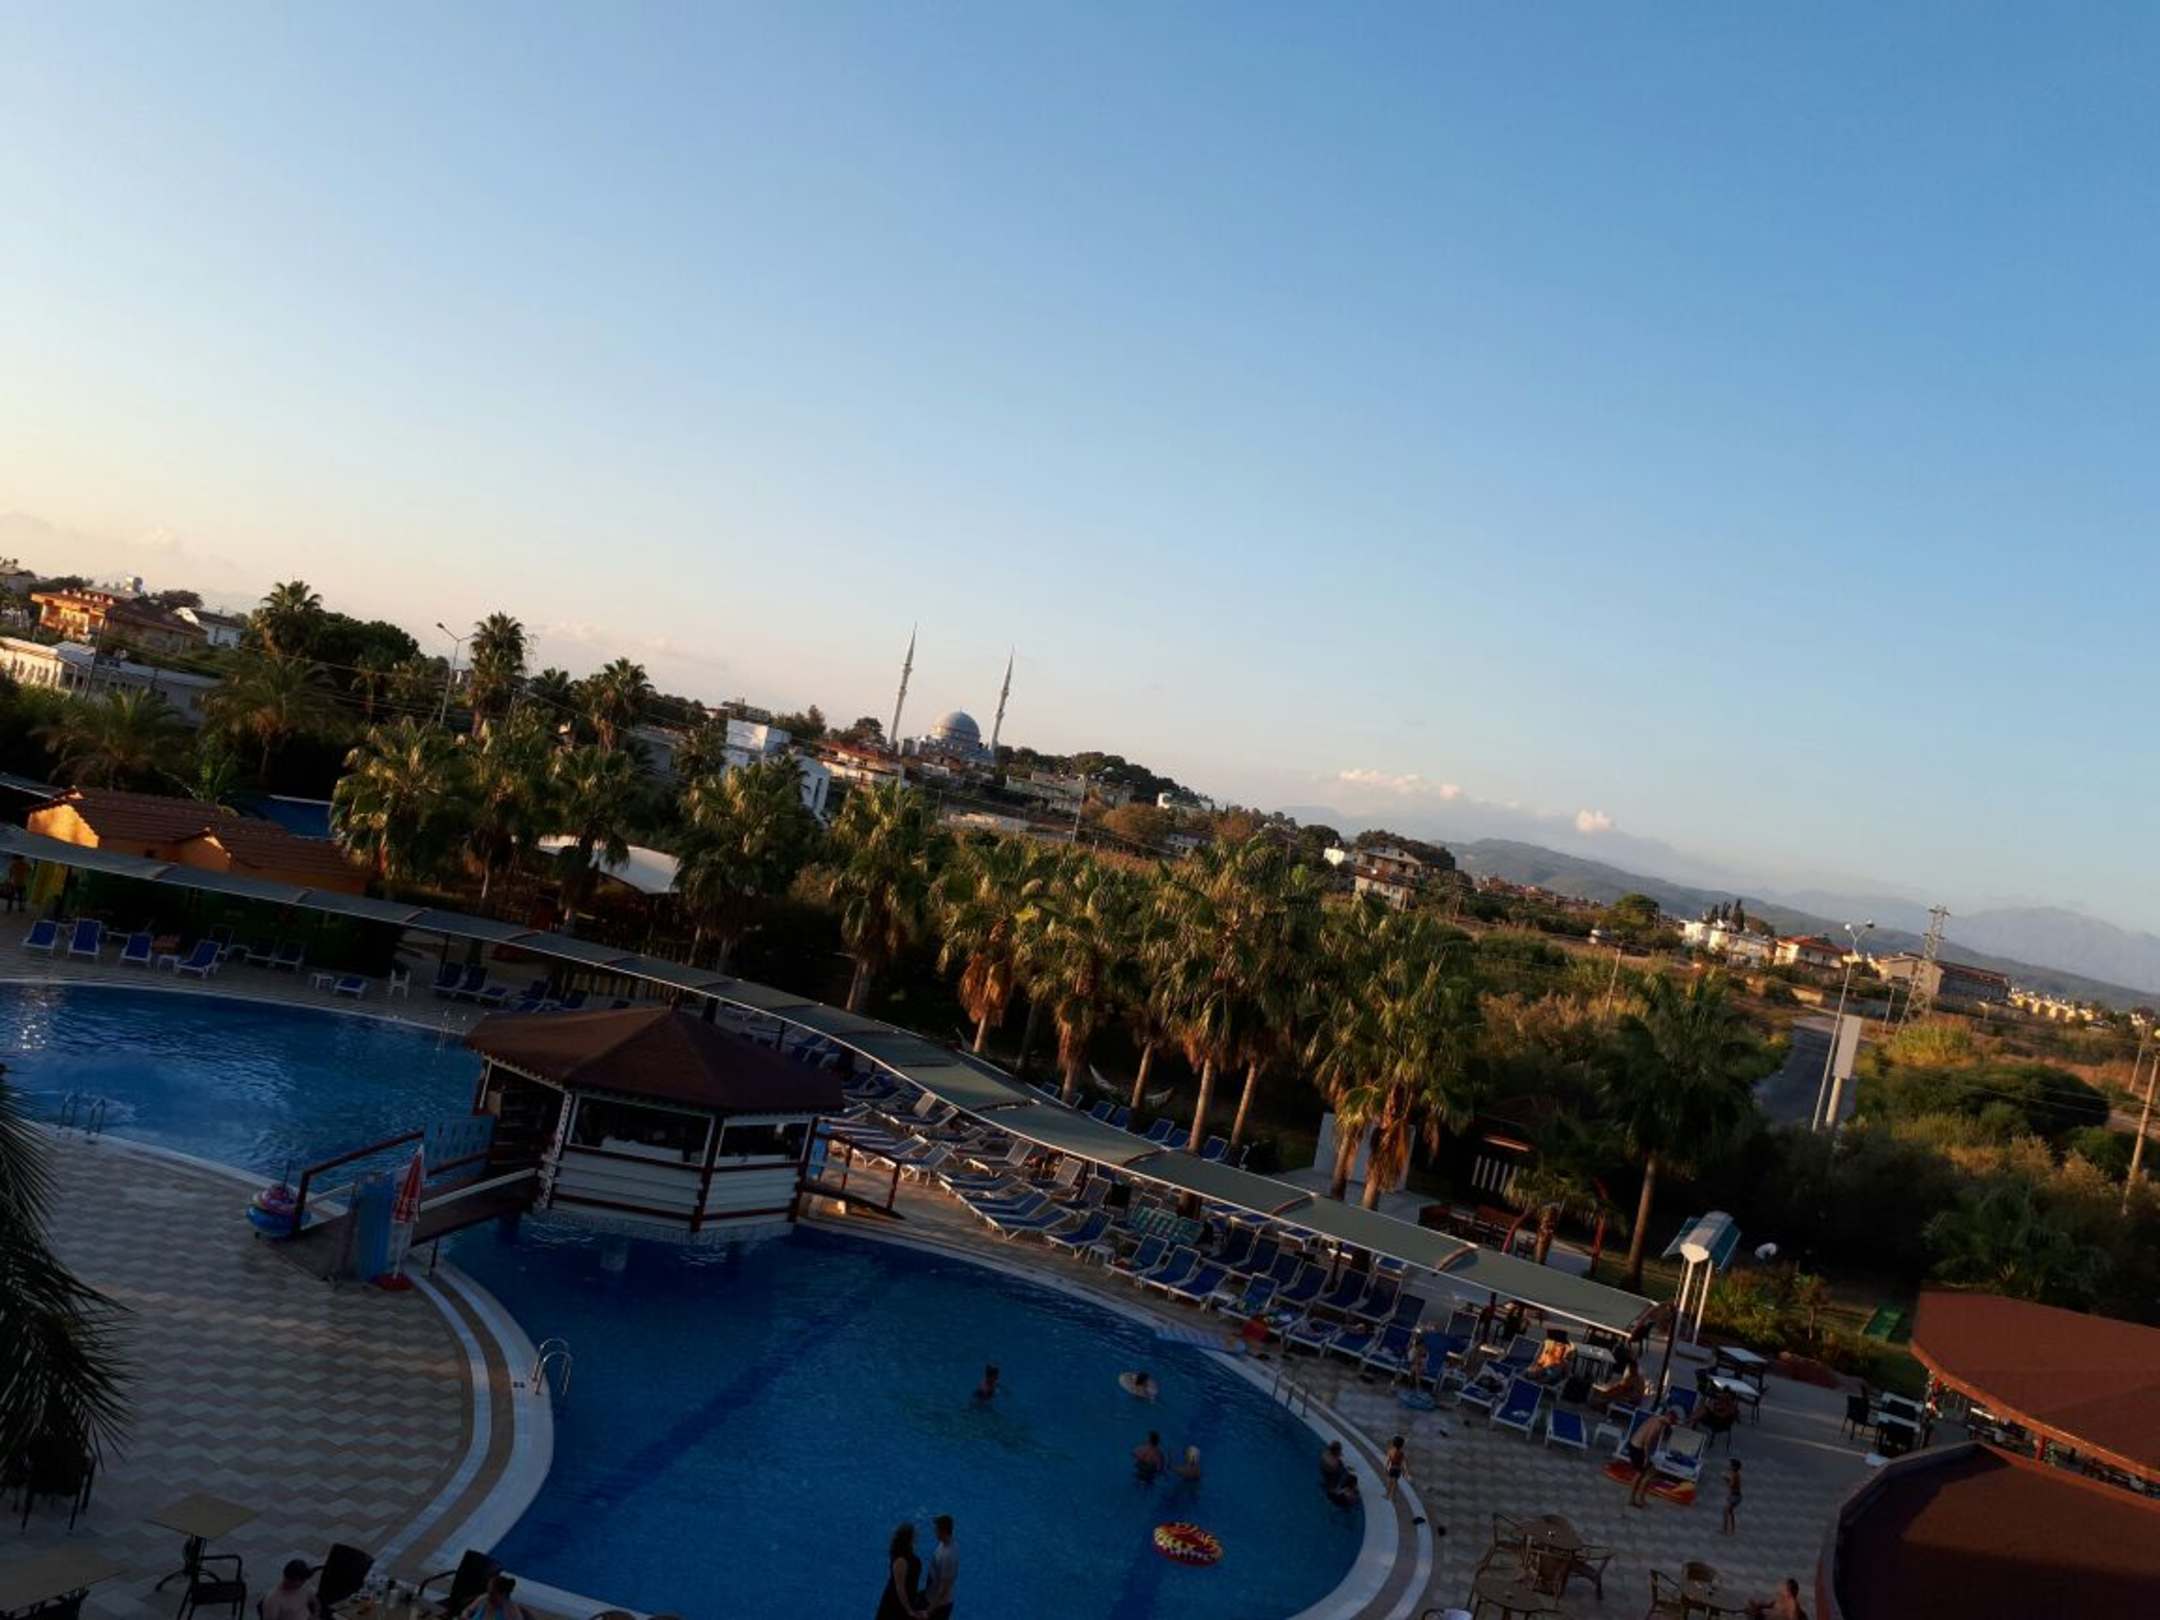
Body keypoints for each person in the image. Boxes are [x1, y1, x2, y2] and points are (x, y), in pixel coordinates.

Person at [1627, 1407, 1676, 1507]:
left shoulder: (1657, 1419)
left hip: (1635, 1445)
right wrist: (1646, 1457)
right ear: (1668, 1418)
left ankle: (1639, 1498)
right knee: (1643, 1473)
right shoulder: (1657, 1425)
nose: (1670, 1424)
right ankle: (1634, 1499)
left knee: (1648, 1472)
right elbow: (1647, 1441)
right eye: (1671, 1422)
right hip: (1638, 1448)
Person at [875, 1523, 925, 1620]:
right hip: (895, 1605)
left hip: (906, 1601)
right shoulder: (901, 1560)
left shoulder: (909, 1554)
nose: (917, 1536)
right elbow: (900, 1588)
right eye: (914, 1535)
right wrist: (909, 1610)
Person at [924, 1515, 958, 1620]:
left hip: (939, 1606)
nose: (934, 1531)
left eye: (936, 1529)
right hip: (932, 1598)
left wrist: (928, 1611)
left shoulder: (948, 1556)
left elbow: (944, 1589)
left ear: (942, 1531)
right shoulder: (944, 1544)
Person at [458, 1575, 527, 1620]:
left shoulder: (512, 1611)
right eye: (488, 1591)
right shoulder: (484, 1598)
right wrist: (465, 1616)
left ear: (503, 1594)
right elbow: (468, 1610)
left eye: (492, 1593)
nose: (488, 1596)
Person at [1383, 1435, 1409, 1501]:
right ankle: (1393, 1496)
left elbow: (1387, 1460)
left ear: (1393, 1444)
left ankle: (1387, 1494)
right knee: (1395, 1483)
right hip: (1398, 1469)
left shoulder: (1390, 1451)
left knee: (1389, 1482)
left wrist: (1385, 1468)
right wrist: (1405, 1471)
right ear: (1402, 1445)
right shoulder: (1401, 1453)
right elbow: (1403, 1462)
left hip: (1392, 1468)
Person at [1723, 1458, 1743, 1536]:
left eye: (1730, 1465)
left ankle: (1726, 1530)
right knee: (1729, 1512)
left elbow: (1731, 1485)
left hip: (1735, 1497)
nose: (1729, 1466)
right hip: (1733, 1496)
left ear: (1734, 1467)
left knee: (1726, 1511)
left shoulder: (1735, 1475)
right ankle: (1731, 1529)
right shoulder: (1734, 1474)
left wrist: (1725, 1478)